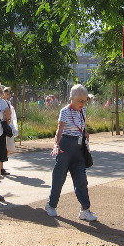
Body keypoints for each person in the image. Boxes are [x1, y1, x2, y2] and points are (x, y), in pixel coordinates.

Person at [44, 84, 97, 221]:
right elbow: (59, 130)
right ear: (71, 99)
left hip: (78, 148)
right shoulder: (65, 111)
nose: (83, 103)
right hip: (65, 146)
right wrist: (56, 144)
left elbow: (81, 126)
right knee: (59, 178)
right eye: (80, 100)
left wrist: (84, 133)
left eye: (85, 100)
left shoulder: (82, 111)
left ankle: (85, 209)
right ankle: (51, 205)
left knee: (81, 179)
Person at [1, 86, 19, 176]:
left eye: (8, 92)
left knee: (10, 147)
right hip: (1, 128)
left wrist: (14, 128)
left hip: (8, 127)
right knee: (3, 147)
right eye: (5, 91)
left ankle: (0, 162)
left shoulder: (8, 103)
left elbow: (12, 117)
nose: (7, 93)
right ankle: (0, 167)